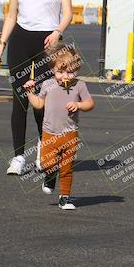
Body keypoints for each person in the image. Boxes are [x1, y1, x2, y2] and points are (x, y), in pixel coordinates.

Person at [0, 0, 73, 175]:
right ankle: (17, 158)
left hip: (48, 41)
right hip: (21, 40)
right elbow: (11, 16)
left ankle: (43, 151)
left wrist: (57, 32)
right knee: (20, 100)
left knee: (44, 101)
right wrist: (1, 45)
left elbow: (67, 12)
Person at [23, 44, 95, 210]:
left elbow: (90, 103)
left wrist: (79, 105)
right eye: (60, 72)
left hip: (70, 134)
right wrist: (30, 93)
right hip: (49, 133)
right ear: (53, 70)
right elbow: (39, 104)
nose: (65, 76)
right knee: (47, 163)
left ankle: (65, 197)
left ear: (76, 70)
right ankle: (50, 175)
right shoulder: (48, 84)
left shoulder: (79, 85)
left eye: (70, 72)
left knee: (67, 168)